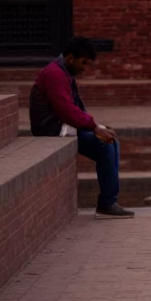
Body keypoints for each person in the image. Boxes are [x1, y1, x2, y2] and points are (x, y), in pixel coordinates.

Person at [29, 37, 133, 218]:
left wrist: (96, 126)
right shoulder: (55, 74)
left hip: (64, 126)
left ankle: (110, 201)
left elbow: (74, 109)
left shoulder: (63, 72)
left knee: (110, 140)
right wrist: (93, 126)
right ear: (70, 57)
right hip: (53, 130)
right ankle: (107, 204)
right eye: (83, 62)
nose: (84, 68)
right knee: (105, 146)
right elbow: (67, 110)